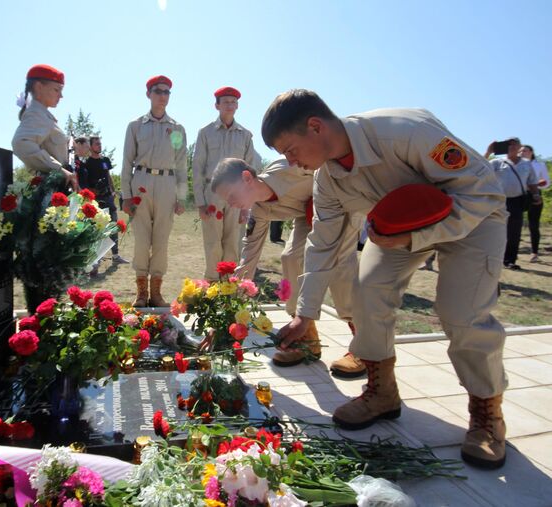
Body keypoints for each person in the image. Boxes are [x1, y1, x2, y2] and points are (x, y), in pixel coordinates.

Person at [267, 89, 509, 469]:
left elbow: (482, 190)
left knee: (461, 313)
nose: (290, 161)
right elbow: (322, 246)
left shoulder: (404, 131)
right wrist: (305, 313)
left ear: (315, 126)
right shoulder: (327, 180)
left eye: (290, 149)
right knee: (367, 290)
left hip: (471, 217)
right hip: (399, 229)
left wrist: (415, 237)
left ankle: (487, 413)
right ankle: (382, 392)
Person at [211, 157, 365, 377]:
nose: (231, 204)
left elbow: (328, 163)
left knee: (340, 268)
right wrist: (230, 310)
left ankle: (364, 345)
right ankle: (306, 338)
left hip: (342, 205)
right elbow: (248, 260)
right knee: (290, 257)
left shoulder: (288, 168)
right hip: (309, 214)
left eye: (232, 196)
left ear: (247, 178)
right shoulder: (259, 211)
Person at [121, 75, 187, 307]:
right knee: (141, 239)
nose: (163, 95)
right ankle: (141, 292)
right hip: (141, 182)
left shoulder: (177, 128)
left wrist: (181, 197)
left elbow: (181, 164)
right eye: (158, 91)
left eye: (167, 91)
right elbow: (127, 162)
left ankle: (156, 292)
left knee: (161, 240)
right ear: (148, 94)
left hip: (167, 184)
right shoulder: (136, 126)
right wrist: (126, 196)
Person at [192, 87, 255, 280]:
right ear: (217, 105)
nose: (230, 105)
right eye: (225, 101)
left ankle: (228, 286)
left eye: (233, 102)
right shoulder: (206, 133)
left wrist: (247, 206)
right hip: (213, 192)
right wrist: (201, 202)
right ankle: (212, 284)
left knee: (233, 241)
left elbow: (250, 172)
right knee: (212, 242)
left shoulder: (245, 135)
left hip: (237, 195)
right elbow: (197, 168)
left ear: (237, 106)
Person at [12, 64, 78, 190]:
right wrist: (59, 169)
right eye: (56, 90)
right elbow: (21, 143)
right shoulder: (37, 114)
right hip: (48, 189)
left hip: (55, 187)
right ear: (39, 87)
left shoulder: (44, 116)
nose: (61, 96)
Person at [485, 138, 540, 270]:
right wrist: (488, 152)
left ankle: (509, 260)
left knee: (514, 232)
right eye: (509, 144)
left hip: (517, 200)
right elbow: (480, 168)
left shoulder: (527, 164)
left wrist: (536, 195)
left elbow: (532, 181)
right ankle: (492, 257)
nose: (512, 147)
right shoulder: (497, 162)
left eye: (515, 144)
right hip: (499, 201)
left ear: (520, 147)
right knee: (495, 229)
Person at [82, 135, 129, 274]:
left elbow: (108, 176)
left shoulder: (105, 160)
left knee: (113, 226)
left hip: (108, 197)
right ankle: (97, 257)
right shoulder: (87, 163)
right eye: (96, 144)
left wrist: (113, 191)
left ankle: (115, 256)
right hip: (96, 200)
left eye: (100, 143)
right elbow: (86, 185)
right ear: (90, 146)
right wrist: (95, 190)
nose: (99, 146)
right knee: (97, 229)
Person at [520, 145, 548, 263]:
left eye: (524, 151)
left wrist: (534, 185)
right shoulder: (516, 164)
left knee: (534, 225)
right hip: (519, 195)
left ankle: (534, 253)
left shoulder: (540, 165)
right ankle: (510, 252)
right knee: (513, 224)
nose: (521, 152)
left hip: (534, 195)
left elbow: (547, 183)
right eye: (520, 151)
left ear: (531, 152)